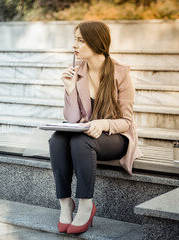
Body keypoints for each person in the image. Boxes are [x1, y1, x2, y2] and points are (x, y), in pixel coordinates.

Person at [49, 20, 143, 235]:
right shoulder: (77, 71)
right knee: (57, 139)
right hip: (86, 133)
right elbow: (73, 119)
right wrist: (70, 89)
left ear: (96, 43)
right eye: (75, 39)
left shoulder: (120, 73)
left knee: (82, 141)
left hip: (116, 136)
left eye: (80, 40)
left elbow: (126, 122)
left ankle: (85, 205)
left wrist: (102, 124)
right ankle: (65, 204)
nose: (75, 45)